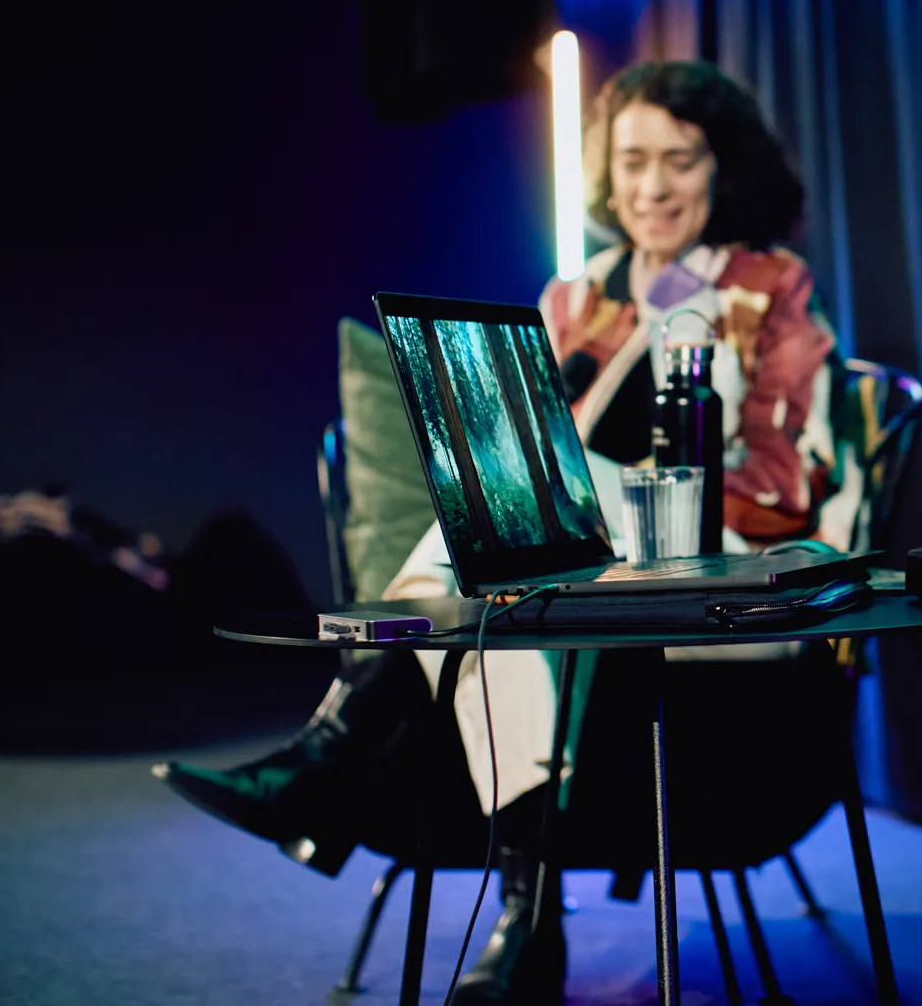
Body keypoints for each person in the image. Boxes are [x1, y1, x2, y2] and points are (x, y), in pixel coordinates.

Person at [159, 61, 850, 1004]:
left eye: (680, 161)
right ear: (606, 173)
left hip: (714, 574)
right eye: (633, 162)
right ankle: (525, 922)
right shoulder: (578, 297)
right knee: (499, 577)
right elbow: (520, 463)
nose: (653, 187)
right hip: (578, 586)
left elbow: (781, 485)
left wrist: (628, 484)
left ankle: (337, 752)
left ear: (722, 168)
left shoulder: (770, 287)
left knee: (520, 526)